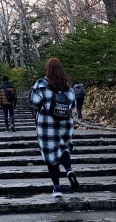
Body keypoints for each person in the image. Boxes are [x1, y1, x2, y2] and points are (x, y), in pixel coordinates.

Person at [29, 58, 79, 198]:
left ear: (47, 69)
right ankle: (69, 169)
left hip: (46, 123)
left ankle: (56, 188)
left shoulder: (41, 84)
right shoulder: (68, 87)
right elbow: (72, 105)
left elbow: (35, 102)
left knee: (51, 156)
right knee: (63, 148)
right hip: (65, 123)